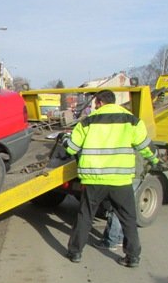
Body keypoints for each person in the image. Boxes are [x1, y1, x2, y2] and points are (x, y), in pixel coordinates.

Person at [61, 89, 160, 267]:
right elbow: (146, 146)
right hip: (120, 180)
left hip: (94, 179)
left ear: (99, 102)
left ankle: (75, 252)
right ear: (113, 102)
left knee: (85, 216)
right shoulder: (131, 120)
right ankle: (132, 257)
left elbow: (72, 148)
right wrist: (155, 160)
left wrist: (65, 141)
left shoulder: (88, 121)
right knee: (128, 218)